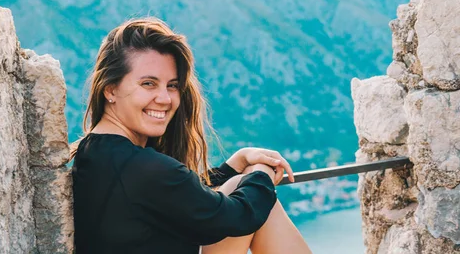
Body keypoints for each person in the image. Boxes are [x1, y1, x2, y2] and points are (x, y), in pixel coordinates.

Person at [71, 17, 312, 254]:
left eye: (172, 85)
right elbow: (236, 218)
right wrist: (262, 174)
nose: (165, 99)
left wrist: (233, 165)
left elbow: (181, 195)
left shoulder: (97, 152)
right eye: (148, 84)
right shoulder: (141, 168)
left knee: (241, 185)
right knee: (255, 198)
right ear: (110, 89)